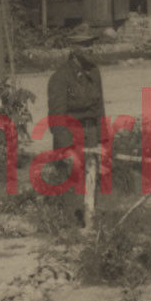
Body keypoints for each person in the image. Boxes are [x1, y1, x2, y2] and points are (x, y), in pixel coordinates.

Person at [46, 48, 105, 226]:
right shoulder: (60, 77)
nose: (90, 49)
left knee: (92, 177)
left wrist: (102, 139)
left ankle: (90, 220)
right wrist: (67, 148)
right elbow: (57, 118)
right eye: (84, 45)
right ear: (74, 49)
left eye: (92, 44)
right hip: (70, 133)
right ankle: (69, 224)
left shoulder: (94, 72)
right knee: (70, 179)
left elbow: (100, 108)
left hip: (91, 131)